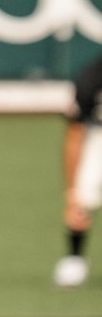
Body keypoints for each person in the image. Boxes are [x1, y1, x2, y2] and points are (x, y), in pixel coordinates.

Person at [53, 52, 102, 287]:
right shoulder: (91, 78)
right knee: (81, 197)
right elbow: (75, 136)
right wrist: (72, 189)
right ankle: (74, 258)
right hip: (99, 140)